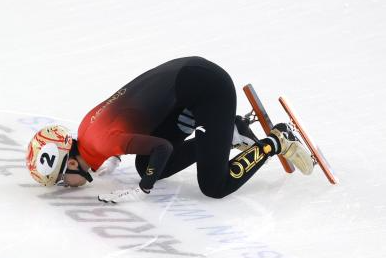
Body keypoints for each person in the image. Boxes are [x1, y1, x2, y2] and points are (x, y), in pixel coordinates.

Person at [26, 56, 313, 202]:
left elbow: (161, 148)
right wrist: (114, 156)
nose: (66, 185)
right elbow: (125, 121)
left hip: (209, 89)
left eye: (62, 180)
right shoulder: (88, 132)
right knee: (147, 165)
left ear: (72, 163)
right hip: (185, 85)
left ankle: (277, 140)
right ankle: (229, 132)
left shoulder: (102, 143)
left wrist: (143, 189)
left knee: (214, 186)